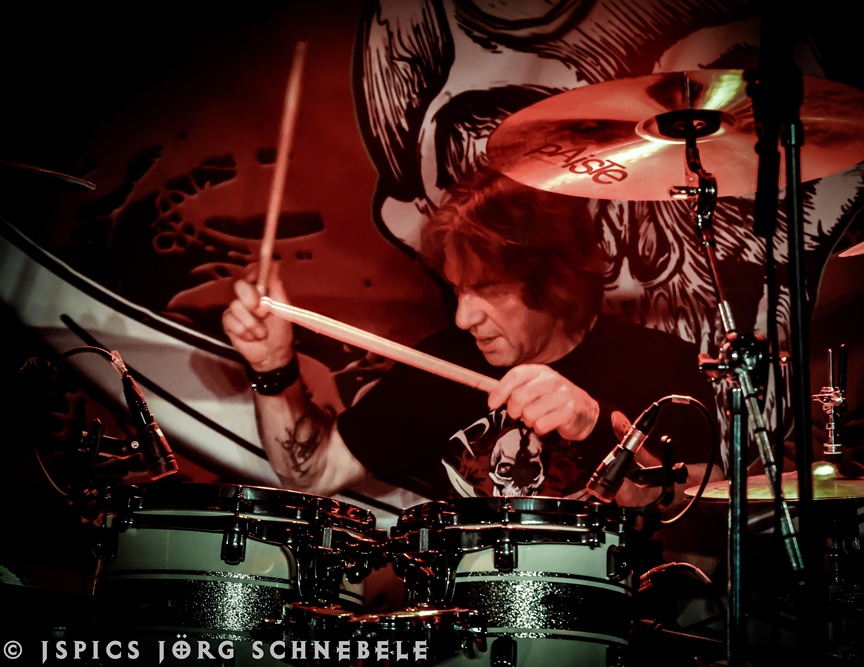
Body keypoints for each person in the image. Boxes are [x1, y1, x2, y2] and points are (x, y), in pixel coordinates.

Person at [222, 168, 718, 503]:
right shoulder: (443, 363)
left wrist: (596, 425)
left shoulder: (660, 364)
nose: (463, 318)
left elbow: (711, 506)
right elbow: (311, 474)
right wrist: (273, 367)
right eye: (458, 289)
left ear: (556, 283)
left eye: (488, 290)